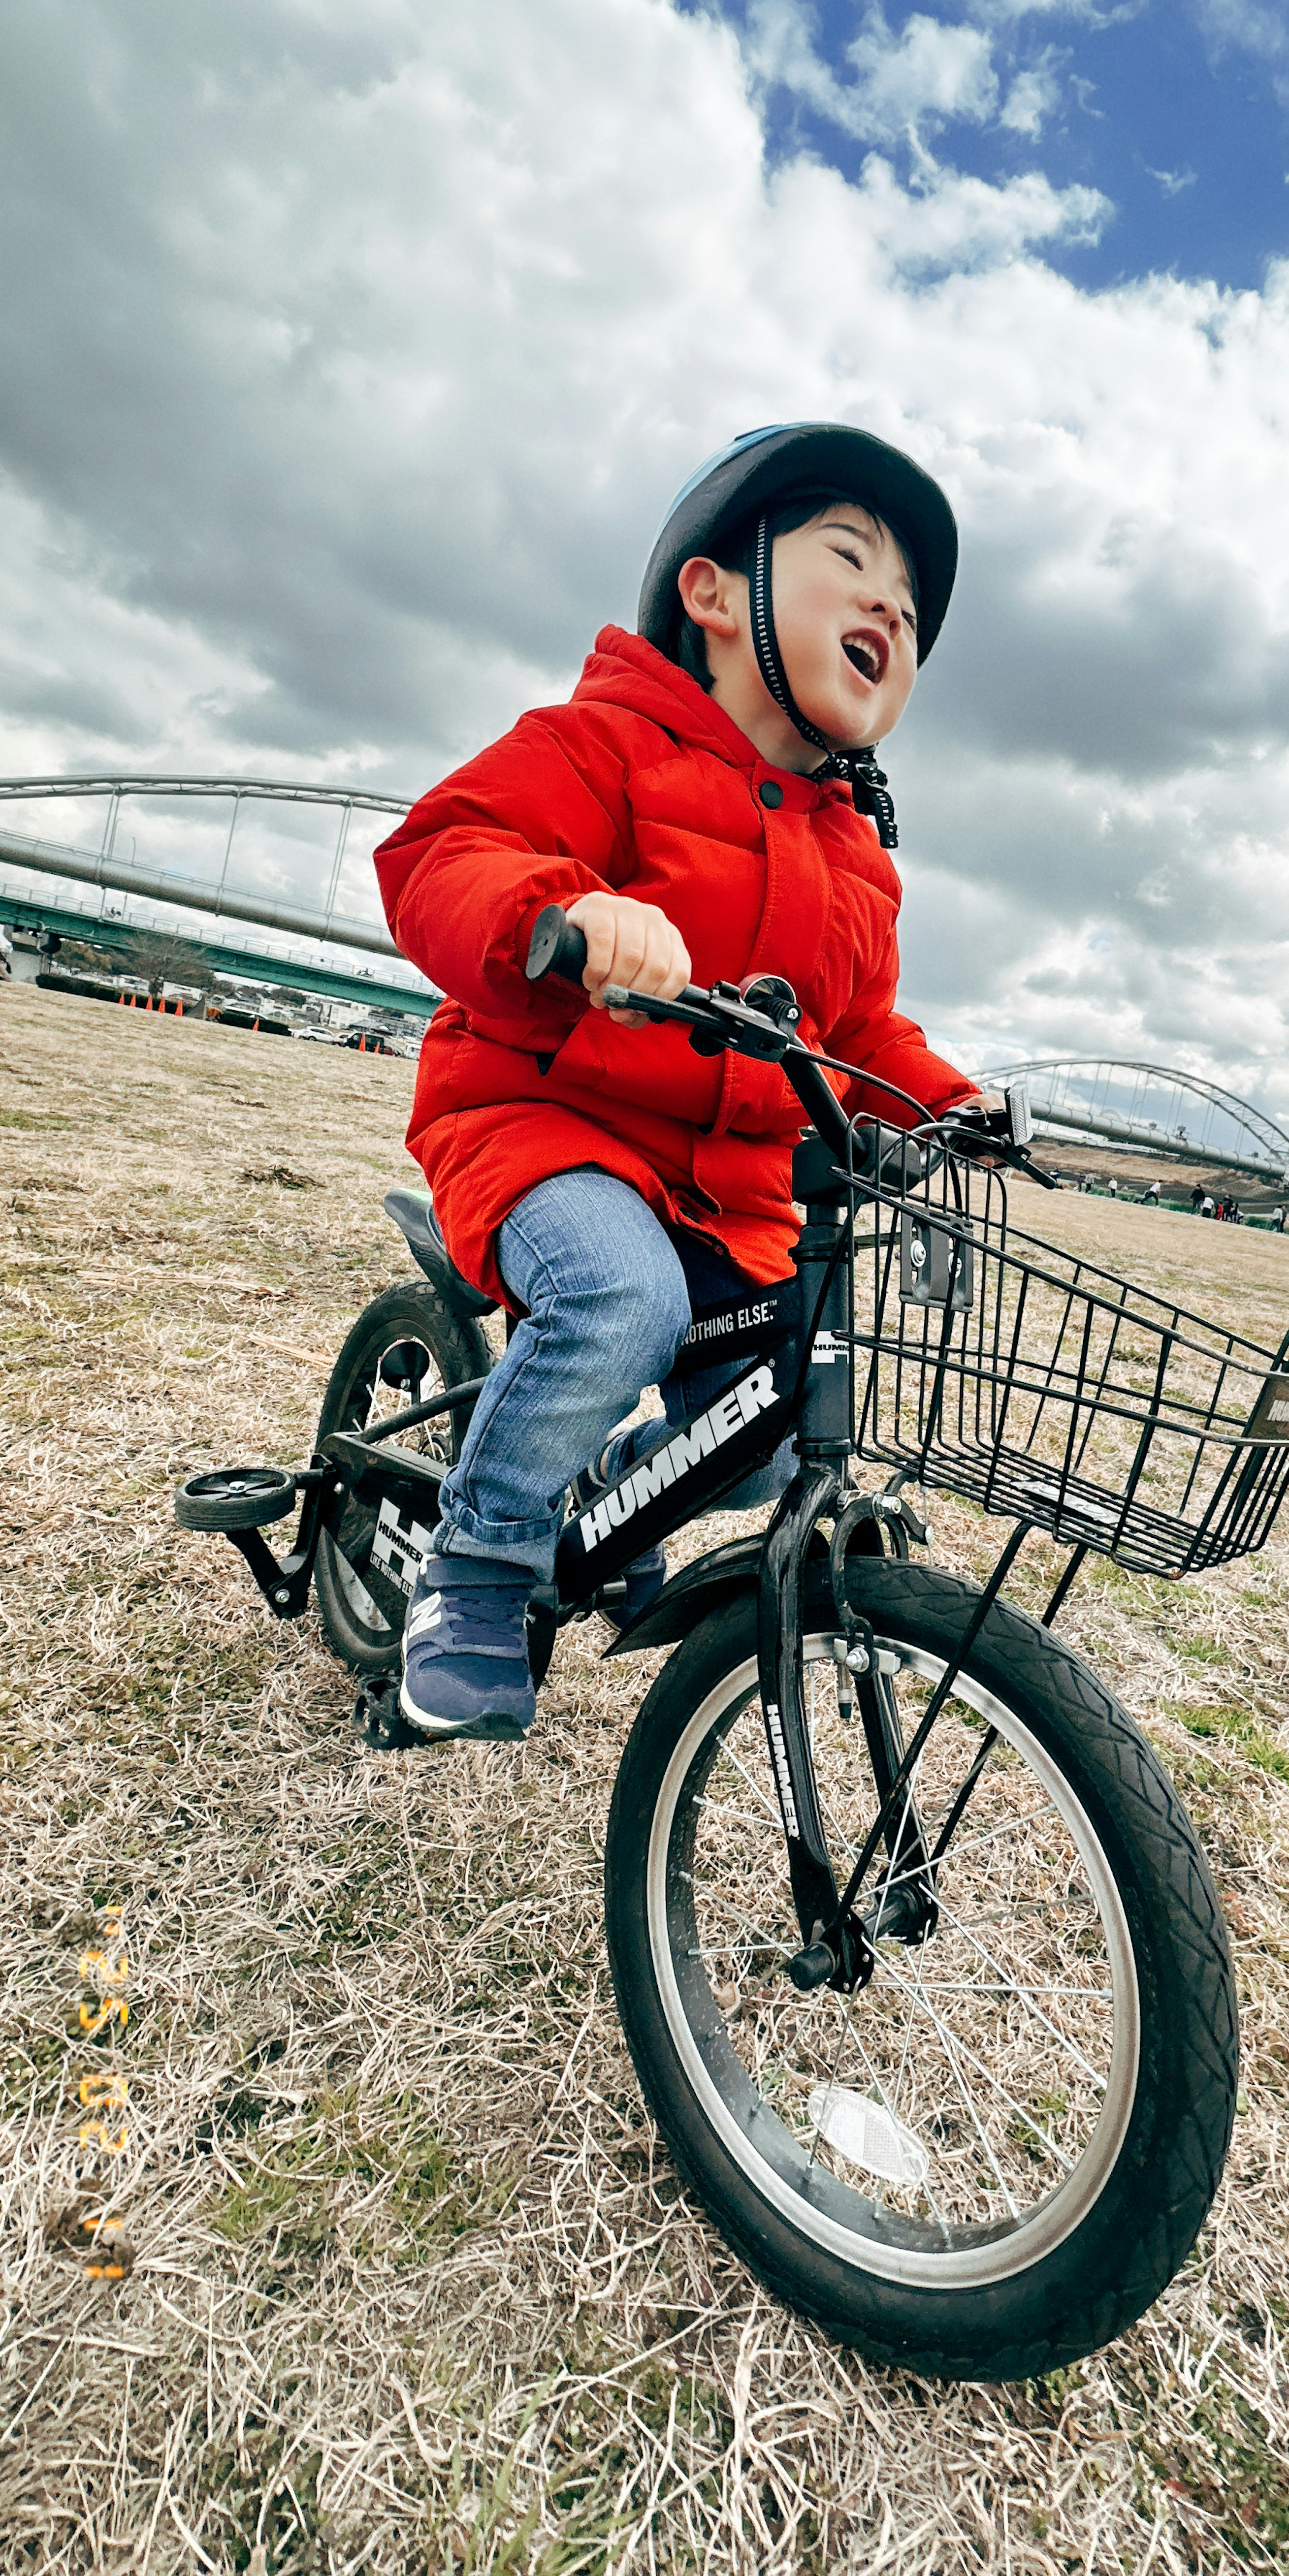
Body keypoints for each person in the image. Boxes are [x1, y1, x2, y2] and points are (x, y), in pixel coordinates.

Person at [374, 425, 992, 1742]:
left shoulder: (857, 862)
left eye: (914, 605)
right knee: (619, 1299)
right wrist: (564, 912)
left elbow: (859, 1032)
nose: (894, 603)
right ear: (714, 595)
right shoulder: (605, 743)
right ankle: (478, 1568)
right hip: (549, 1122)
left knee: (777, 1415)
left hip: (725, 1189)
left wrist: (946, 1106)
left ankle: (604, 1477)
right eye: (851, 557)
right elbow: (444, 851)